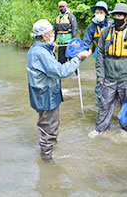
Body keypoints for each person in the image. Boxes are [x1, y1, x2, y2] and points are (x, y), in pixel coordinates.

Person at [26, 19, 91, 162]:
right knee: (49, 129)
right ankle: (47, 161)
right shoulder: (41, 53)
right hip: (46, 97)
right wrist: (78, 58)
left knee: (49, 125)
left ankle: (49, 151)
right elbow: (60, 71)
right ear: (44, 36)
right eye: (51, 32)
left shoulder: (38, 49)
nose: (53, 34)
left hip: (42, 95)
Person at [88, 3, 127, 138]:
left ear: (126, 18)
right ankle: (101, 128)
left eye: (120, 15)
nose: (117, 18)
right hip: (109, 76)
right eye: (115, 15)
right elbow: (100, 53)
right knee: (104, 104)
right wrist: (100, 75)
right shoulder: (106, 32)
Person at [83, 1, 113, 106]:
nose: (99, 14)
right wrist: (82, 54)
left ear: (105, 13)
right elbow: (86, 42)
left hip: (113, 55)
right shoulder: (91, 27)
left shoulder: (112, 24)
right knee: (100, 77)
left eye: (101, 12)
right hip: (99, 55)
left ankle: (115, 98)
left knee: (114, 76)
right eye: (97, 12)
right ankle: (100, 101)